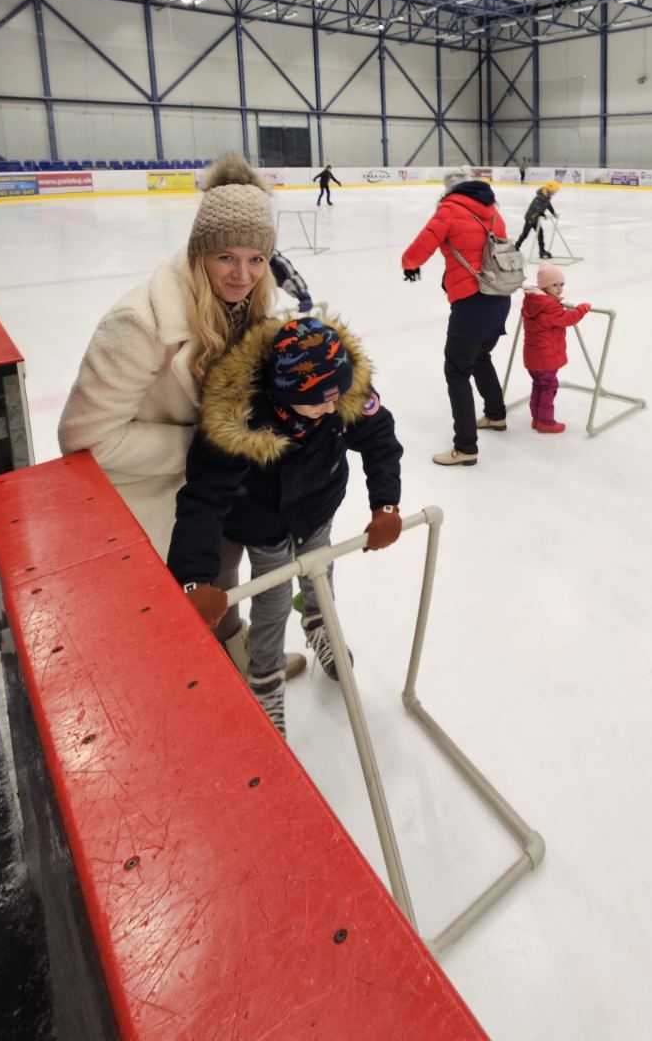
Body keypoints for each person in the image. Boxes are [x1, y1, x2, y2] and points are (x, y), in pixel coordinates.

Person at [58, 155, 312, 677]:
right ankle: (203, 678)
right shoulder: (139, 323)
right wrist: (208, 448)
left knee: (226, 577)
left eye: (257, 258)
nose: (242, 274)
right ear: (200, 254)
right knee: (186, 601)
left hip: (222, 490)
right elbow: (84, 438)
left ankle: (236, 658)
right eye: (226, 257)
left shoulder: (254, 304)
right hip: (159, 494)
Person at [167, 314, 403, 736]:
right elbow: (202, 499)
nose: (331, 409)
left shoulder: (339, 390)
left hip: (317, 506)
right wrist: (193, 580)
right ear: (283, 392)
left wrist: (385, 504)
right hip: (264, 522)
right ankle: (266, 683)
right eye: (318, 402)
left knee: (320, 574)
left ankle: (318, 624)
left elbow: (379, 439)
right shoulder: (237, 424)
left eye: (337, 398)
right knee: (272, 604)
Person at [401, 166, 512, 466]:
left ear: (449, 189)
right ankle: (496, 414)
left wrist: (409, 265)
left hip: (472, 302)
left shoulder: (448, 210)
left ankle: (465, 447)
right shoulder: (492, 211)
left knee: (457, 371)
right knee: (479, 357)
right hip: (500, 297)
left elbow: (418, 249)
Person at [521, 264, 591, 434]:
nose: (559, 289)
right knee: (549, 387)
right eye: (555, 285)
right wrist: (582, 308)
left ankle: (537, 418)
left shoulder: (533, 301)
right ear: (544, 286)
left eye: (562, 284)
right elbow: (568, 318)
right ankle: (545, 421)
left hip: (533, 358)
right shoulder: (549, 307)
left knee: (539, 385)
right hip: (545, 358)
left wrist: (556, 301)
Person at [516, 182, 560, 259]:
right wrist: (543, 214)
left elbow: (548, 205)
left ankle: (542, 251)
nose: (554, 193)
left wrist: (553, 213)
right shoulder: (540, 197)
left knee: (540, 233)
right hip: (531, 218)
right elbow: (537, 209)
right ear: (549, 189)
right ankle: (516, 247)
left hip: (536, 219)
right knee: (525, 234)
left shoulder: (546, 196)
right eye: (554, 191)